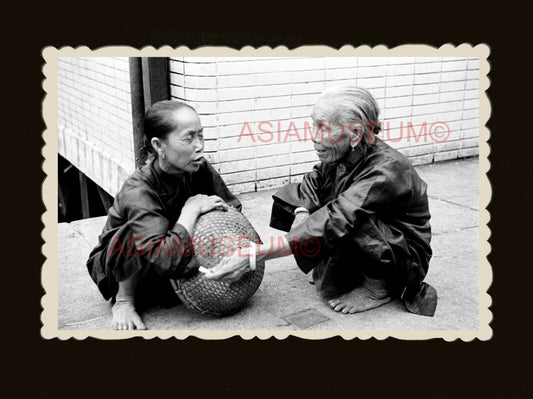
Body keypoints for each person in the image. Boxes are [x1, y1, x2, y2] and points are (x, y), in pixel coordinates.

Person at [205, 86, 437, 317]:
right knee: (298, 200)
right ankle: (339, 263)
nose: (313, 136)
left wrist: (258, 253)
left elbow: (339, 216)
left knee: (342, 220)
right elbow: (313, 183)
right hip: (378, 238)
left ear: (355, 134)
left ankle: (377, 288)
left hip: (403, 255)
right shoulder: (345, 153)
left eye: (323, 127)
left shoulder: (387, 169)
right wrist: (303, 215)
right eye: (313, 124)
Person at [86, 101, 241, 330]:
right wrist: (190, 210)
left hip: (170, 250)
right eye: (188, 139)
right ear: (159, 146)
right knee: (133, 232)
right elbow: (164, 259)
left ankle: (167, 284)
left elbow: (232, 209)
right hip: (122, 265)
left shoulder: (198, 168)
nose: (199, 146)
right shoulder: (139, 189)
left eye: (201, 136)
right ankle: (124, 301)